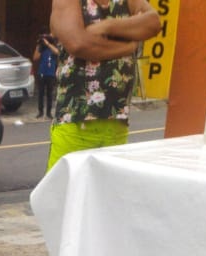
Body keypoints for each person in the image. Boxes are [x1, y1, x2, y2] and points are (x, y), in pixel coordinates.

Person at [47, 0, 161, 170]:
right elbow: (78, 43)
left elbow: (153, 23)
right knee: (65, 186)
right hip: (76, 123)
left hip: (117, 123)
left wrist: (108, 26)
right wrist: (128, 47)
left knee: (108, 186)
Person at [32, 30, 60, 119]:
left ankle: (49, 112)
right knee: (41, 93)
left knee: (49, 94)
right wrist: (38, 44)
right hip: (42, 73)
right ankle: (40, 111)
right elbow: (35, 58)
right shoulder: (42, 47)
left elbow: (57, 52)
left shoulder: (54, 46)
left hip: (51, 73)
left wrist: (48, 44)